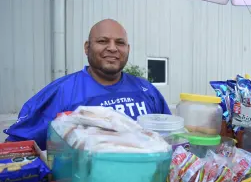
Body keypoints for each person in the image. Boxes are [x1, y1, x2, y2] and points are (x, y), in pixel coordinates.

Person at [4, 19, 171, 150]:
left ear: (128, 49)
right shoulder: (62, 92)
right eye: (103, 41)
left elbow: (171, 137)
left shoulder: (146, 90)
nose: (112, 48)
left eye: (119, 43)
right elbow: (16, 147)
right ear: (87, 47)